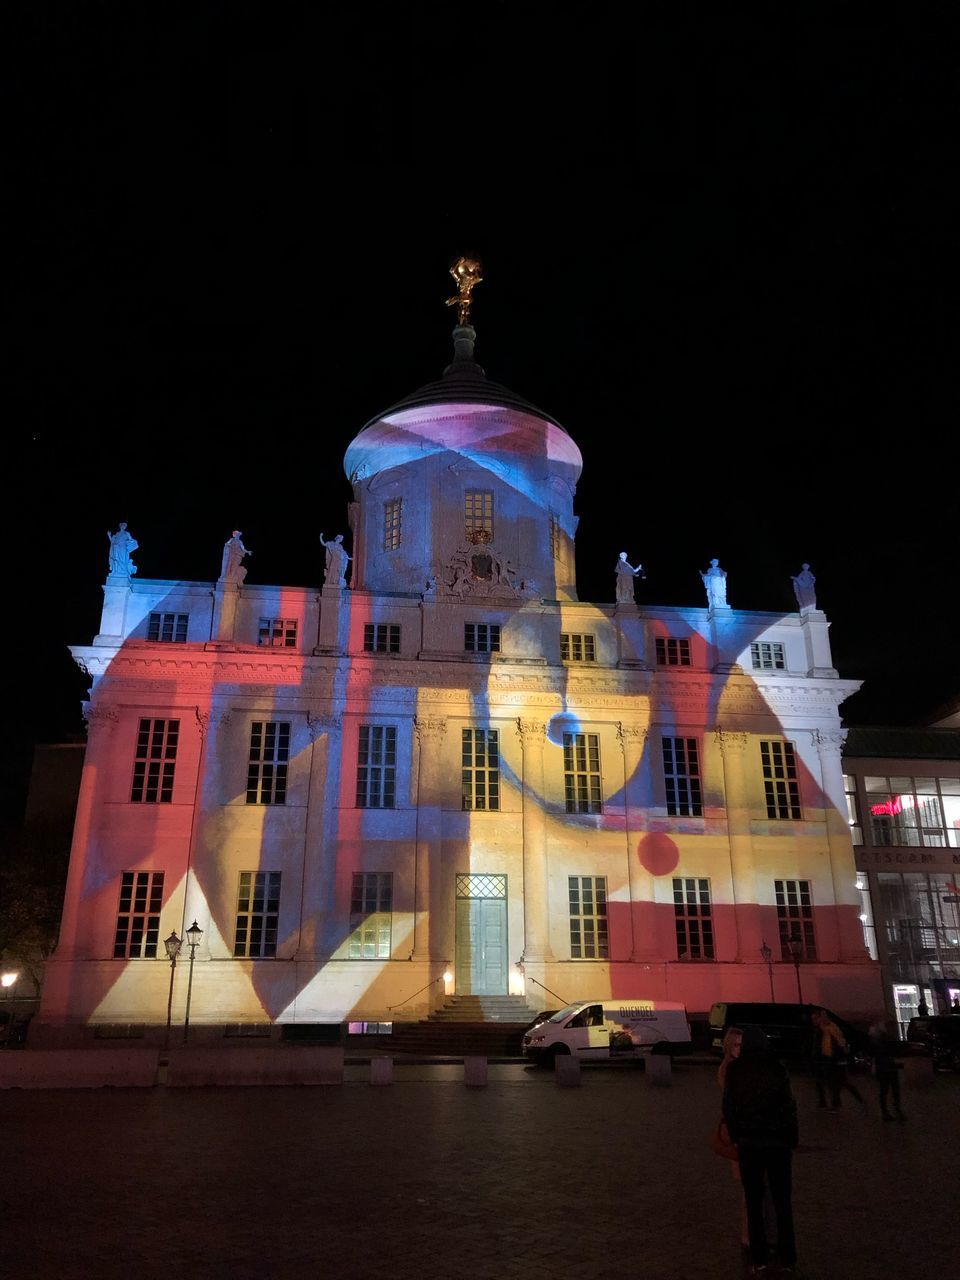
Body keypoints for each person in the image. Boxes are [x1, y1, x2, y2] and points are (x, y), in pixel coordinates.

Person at [722, 1024, 799, 1276]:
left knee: (753, 1203)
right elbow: (789, 1107)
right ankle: (788, 1257)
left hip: (749, 1145)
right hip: (777, 1144)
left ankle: (759, 1258)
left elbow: (729, 1108)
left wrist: (736, 1135)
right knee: (782, 1203)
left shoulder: (735, 1070)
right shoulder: (777, 1068)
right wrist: (791, 1138)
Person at [717, 1027, 750, 1253]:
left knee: (751, 1188)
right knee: (748, 1189)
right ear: (729, 1046)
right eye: (736, 1045)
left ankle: (750, 1234)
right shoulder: (729, 1069)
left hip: (746, 1130)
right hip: (739, 1133)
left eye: (742, 1045)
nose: (739, 1049)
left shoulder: (739, 1068)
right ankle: (747, 1236)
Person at [810, 1007, 864, 1111]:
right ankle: (832, 1103)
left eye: (816, 1019)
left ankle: (850, 1100)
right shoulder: (820, 1030)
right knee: (829, 1081)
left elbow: (841, 1043)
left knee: (839, 1081)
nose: (814, 1021)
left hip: (834, 1058)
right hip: (826, 1058)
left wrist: (841, 1057)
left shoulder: (832, 1028)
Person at [868, 1016, 905, 1121]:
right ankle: (891, 1111)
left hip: (886, 1067)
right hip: (886, 1067)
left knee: (887, 1090)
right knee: (889, 1090)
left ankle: (890, 1111)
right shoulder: (882, 1038)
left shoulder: (879, 1039)